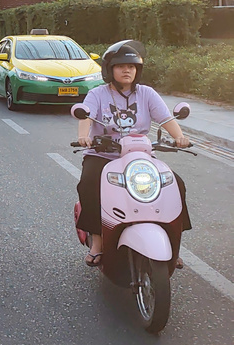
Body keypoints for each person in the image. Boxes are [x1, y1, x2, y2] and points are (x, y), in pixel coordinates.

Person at [75, 40, 191, 266]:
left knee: (175, 184)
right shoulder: (98, 94)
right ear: (110, 70)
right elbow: (85, 116)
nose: (127, 70)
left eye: (132, 67)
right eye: (120, 66)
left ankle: (173, 243)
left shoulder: (146, 93)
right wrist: (84, 135)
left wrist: (180, 137)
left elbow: (165, 118)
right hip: (103, 155)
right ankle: (97, 240)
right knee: (89, 184)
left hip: (139, 156)